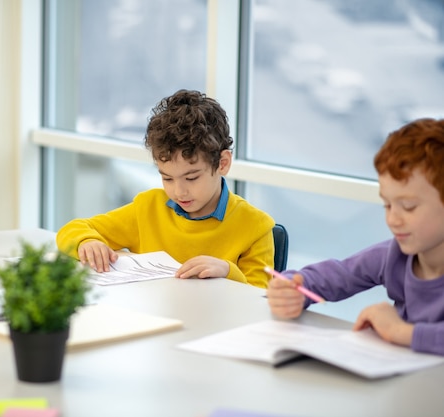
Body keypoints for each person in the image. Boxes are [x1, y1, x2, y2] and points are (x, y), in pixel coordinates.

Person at [56, 89, 275, 288]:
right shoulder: (149, 207)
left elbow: (261, 299)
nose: (179, 192)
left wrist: (228, 271)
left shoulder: (255, 227)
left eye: (191, 178)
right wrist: (87, 242)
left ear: (222, 163)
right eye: (167, 178)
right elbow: (73, 229)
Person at [267, 117, 444, 355]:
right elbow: (339, 274)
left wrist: (401, 332)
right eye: (387, 205)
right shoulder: (393, 255)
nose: (393, 219)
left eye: (409, 206)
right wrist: (294, 288)